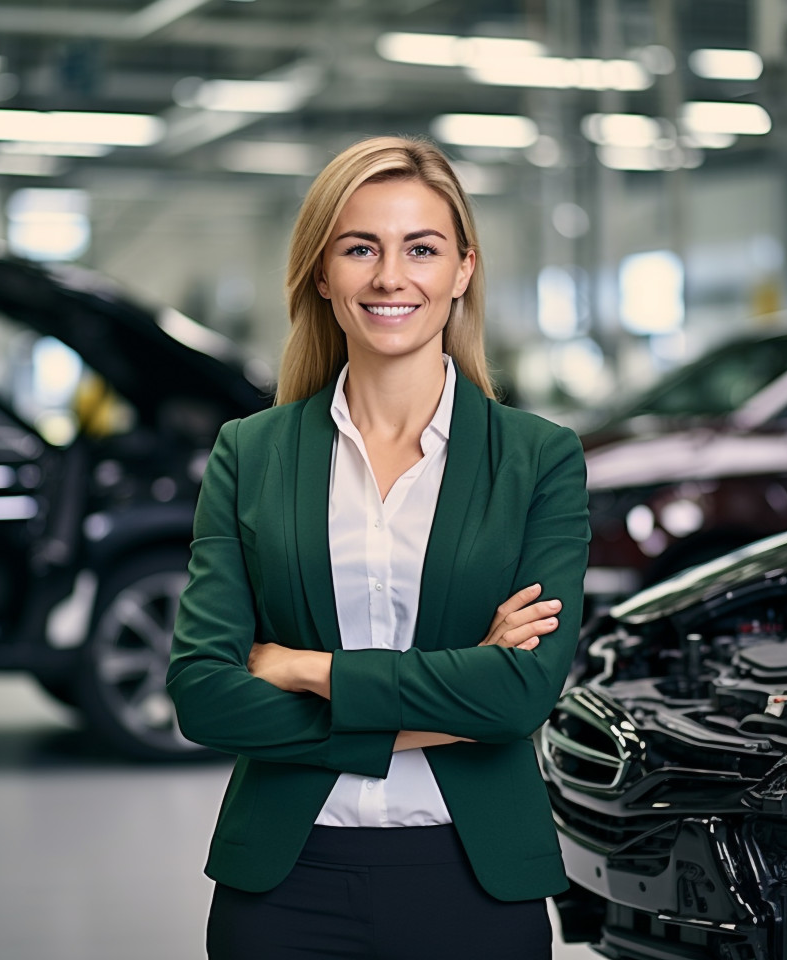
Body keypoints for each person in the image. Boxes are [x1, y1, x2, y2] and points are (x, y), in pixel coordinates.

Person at [168, 135, 590, 960]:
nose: (391, 277)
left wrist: (304, 668)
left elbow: (516, 697)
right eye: (361, 248)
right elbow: (205, 696)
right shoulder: (250, 454)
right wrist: (443, 706)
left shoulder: (538, 457)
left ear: (462, 269)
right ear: (323, 273)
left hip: (471, 880)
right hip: (286, 886)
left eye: (421, 249)